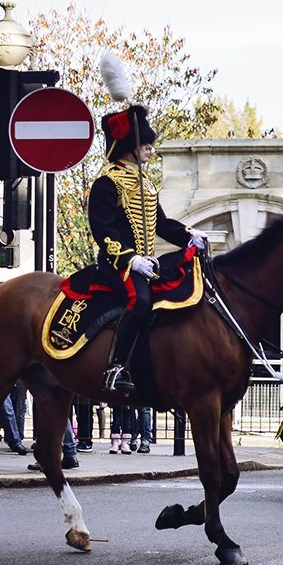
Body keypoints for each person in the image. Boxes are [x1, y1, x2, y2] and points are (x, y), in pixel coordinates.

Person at [89, 103, 207, 394]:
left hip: (146, 263)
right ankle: (116, 367)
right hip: (118, 264)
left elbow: (163, 224)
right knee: (139, 301)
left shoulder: (147, 185)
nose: (149, 150)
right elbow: (103, 231)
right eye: (145, 145)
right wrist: (130, 259)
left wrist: (190, 235)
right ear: (129, 145)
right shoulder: (108, 182)